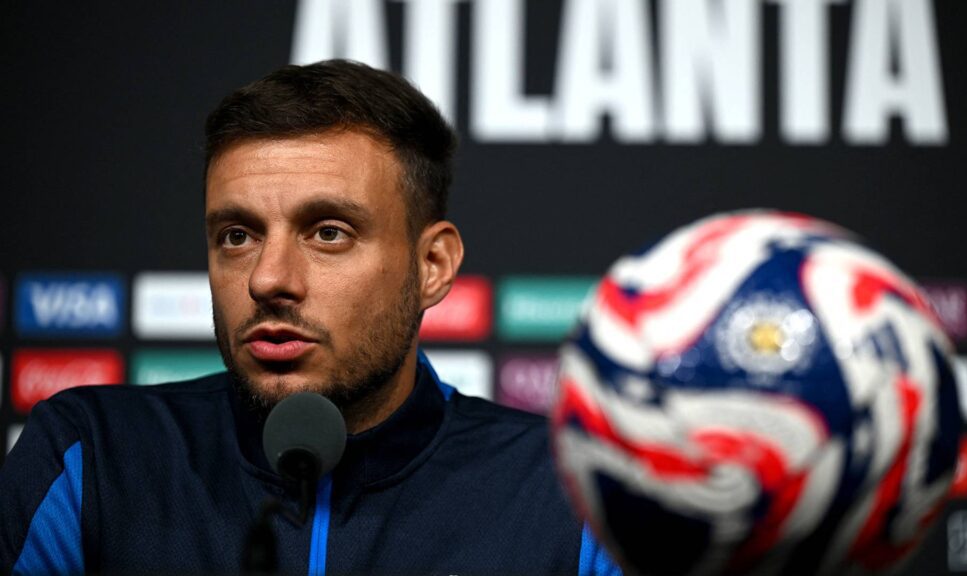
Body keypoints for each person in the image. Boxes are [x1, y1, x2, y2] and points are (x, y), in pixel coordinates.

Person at [0, 59, 619, 576]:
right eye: (237, 235)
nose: (268, 279)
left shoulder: (573, 494)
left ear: (432, 265)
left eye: (328, 232)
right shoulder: (91, 457)